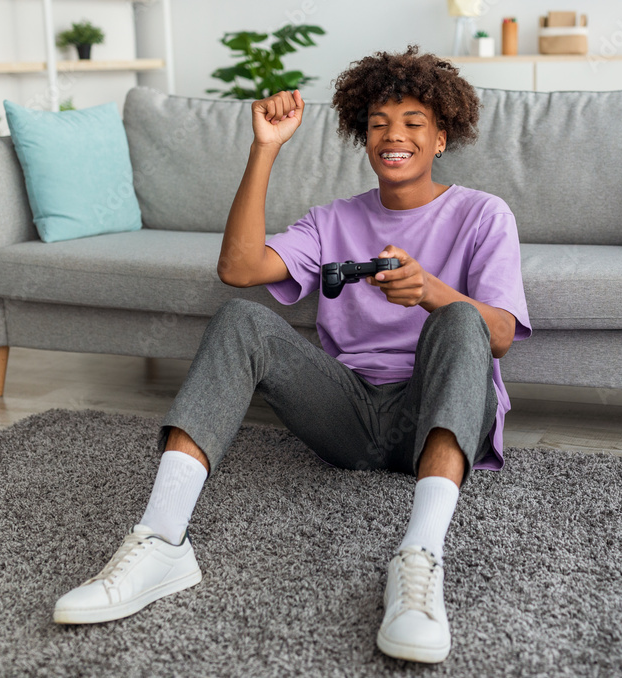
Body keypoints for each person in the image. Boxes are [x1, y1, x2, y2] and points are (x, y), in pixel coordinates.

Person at [53, 45, 531, 664]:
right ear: (363, 135)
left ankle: (419, 564)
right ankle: (163, 540)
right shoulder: (332, 220)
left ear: (441, 137)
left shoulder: (483, 214)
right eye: (380, 123)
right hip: (351, 416)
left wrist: (431, 293)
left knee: (462, 318)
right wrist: (265, 148)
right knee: (242, 321)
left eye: (414, 123)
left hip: (434, 415)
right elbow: (238, 268)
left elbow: (497, 335)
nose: (395, 136)